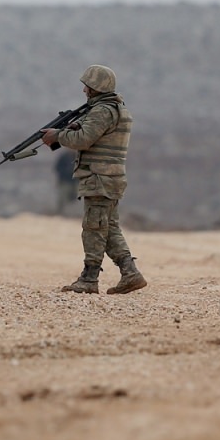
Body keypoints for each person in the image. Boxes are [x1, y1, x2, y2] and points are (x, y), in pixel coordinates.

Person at [40, 65, 147, 295]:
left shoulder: (102, 111)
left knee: (93, 228)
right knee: (108, 228)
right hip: (110, 177)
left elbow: (84, 140)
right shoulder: (115, 109)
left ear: (95, 87)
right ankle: (130, 273)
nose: (84, 91)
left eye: (87, 86)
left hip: (100, 178)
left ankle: (89, 279)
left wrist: (58, 135)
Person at [53, 149, 77, 215]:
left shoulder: (77, 157)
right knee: (63, 197)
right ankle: (60, 213)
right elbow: (57, 168)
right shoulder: (64, 157)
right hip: (65, 181)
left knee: (75, 197)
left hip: (75, 181)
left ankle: (73, 212)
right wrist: (66, 172)